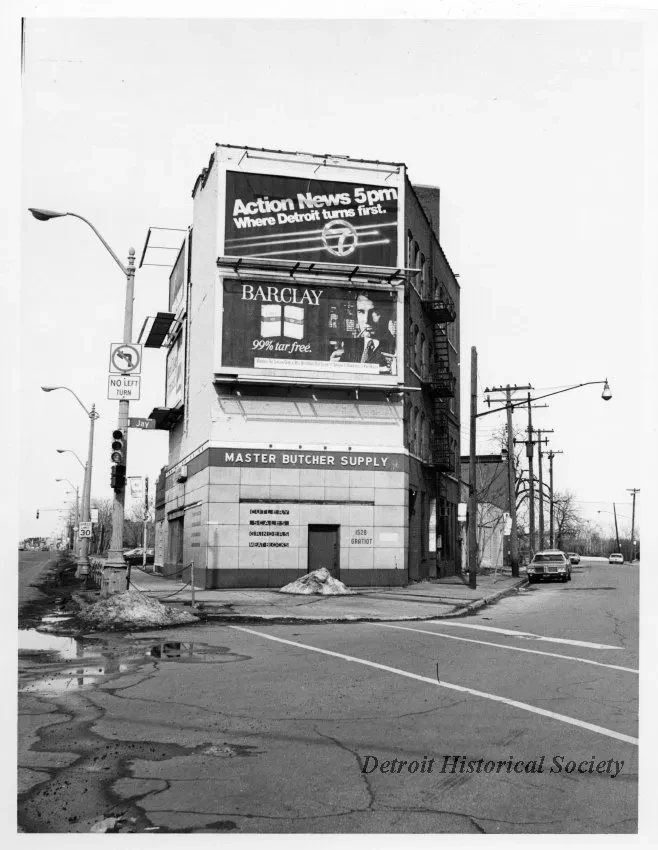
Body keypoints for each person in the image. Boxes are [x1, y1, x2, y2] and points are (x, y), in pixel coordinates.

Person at [330, 291, 397, 373]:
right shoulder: (349, 347)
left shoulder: (396, 348)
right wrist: (333, 368)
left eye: (374, 312)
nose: (366, 320)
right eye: (361, 312)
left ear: (389, 313)